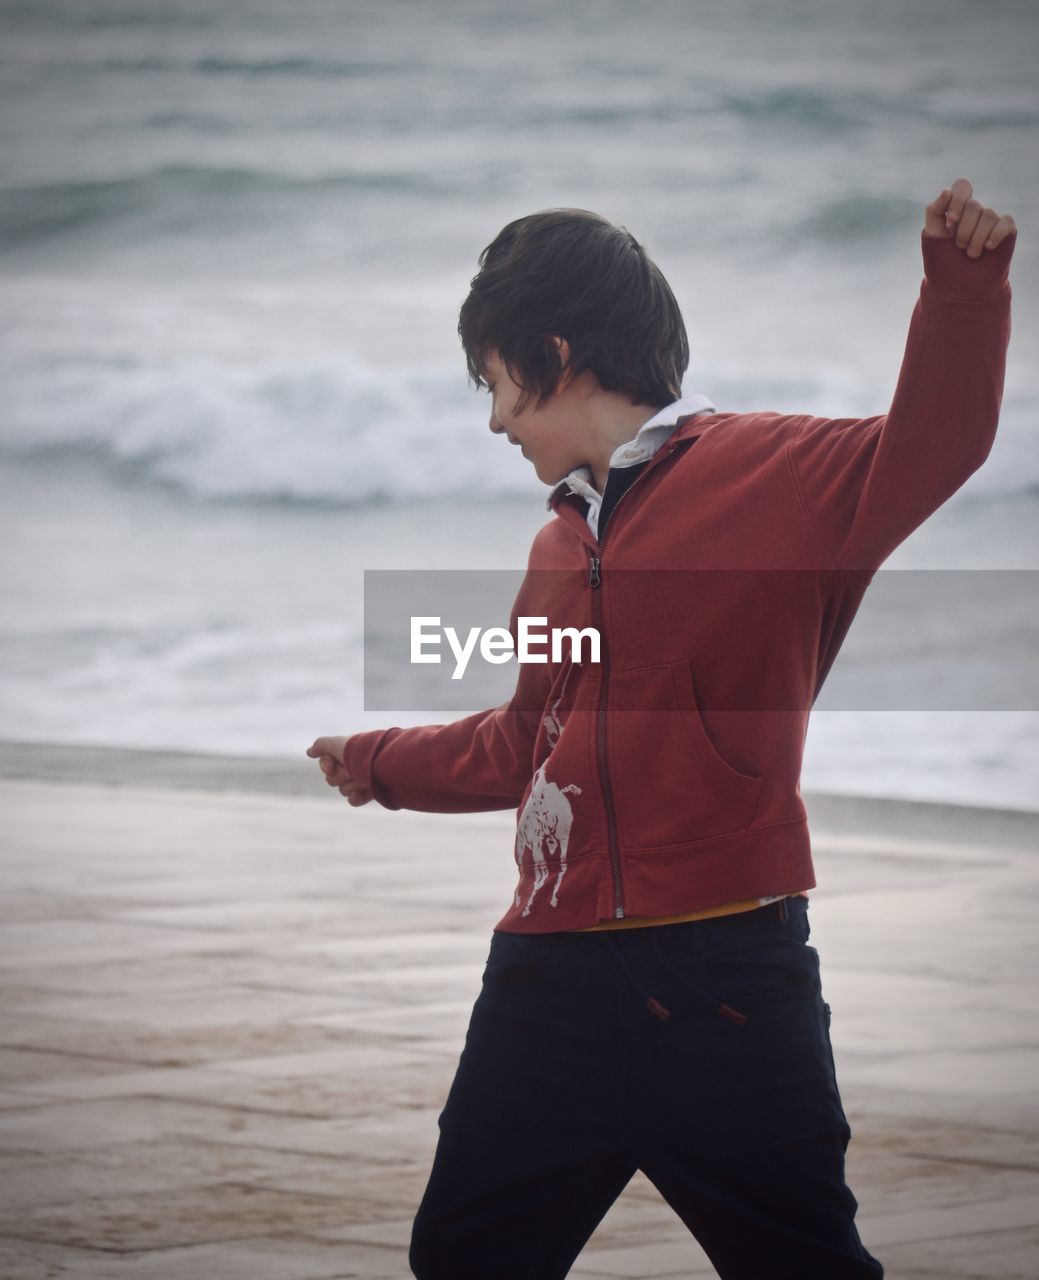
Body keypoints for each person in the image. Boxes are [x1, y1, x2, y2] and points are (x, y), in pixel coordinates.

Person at [307, 179, 1015, 1279]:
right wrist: (380, 760)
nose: (493, 418)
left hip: (724, 979)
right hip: (545, 983)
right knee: (462, 1258)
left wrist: (962, 290)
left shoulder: (780, 480)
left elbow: (938, 443)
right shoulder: (555, 547)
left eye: (494, 384)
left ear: (552, 352)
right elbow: (525, 741)